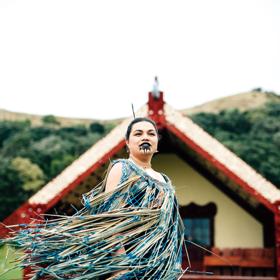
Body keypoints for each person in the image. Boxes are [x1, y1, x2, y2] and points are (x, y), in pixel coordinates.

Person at [1, 117, 185, 280]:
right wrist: (121, 265)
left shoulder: (165, 181)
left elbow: (171, 228)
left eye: (151, 134)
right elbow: (110, 220)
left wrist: (171, 265)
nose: (145, 137)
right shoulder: (123, 169)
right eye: (138, 133)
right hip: (130, 262)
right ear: (128, 143)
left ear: (157, 143)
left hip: (158, 266)